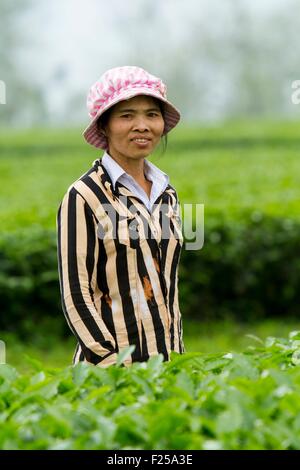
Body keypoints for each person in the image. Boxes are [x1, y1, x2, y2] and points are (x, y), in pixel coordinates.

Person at [56, 65, 185, 368]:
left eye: (152, 115)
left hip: (167, 367)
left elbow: (168, 287)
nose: (142, 125)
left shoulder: (166, 194)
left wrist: (177, 360)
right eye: (127, 115)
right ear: (104, 126)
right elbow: (76, 295)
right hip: (109, 375)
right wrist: (111, 366)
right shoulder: (85, 195)